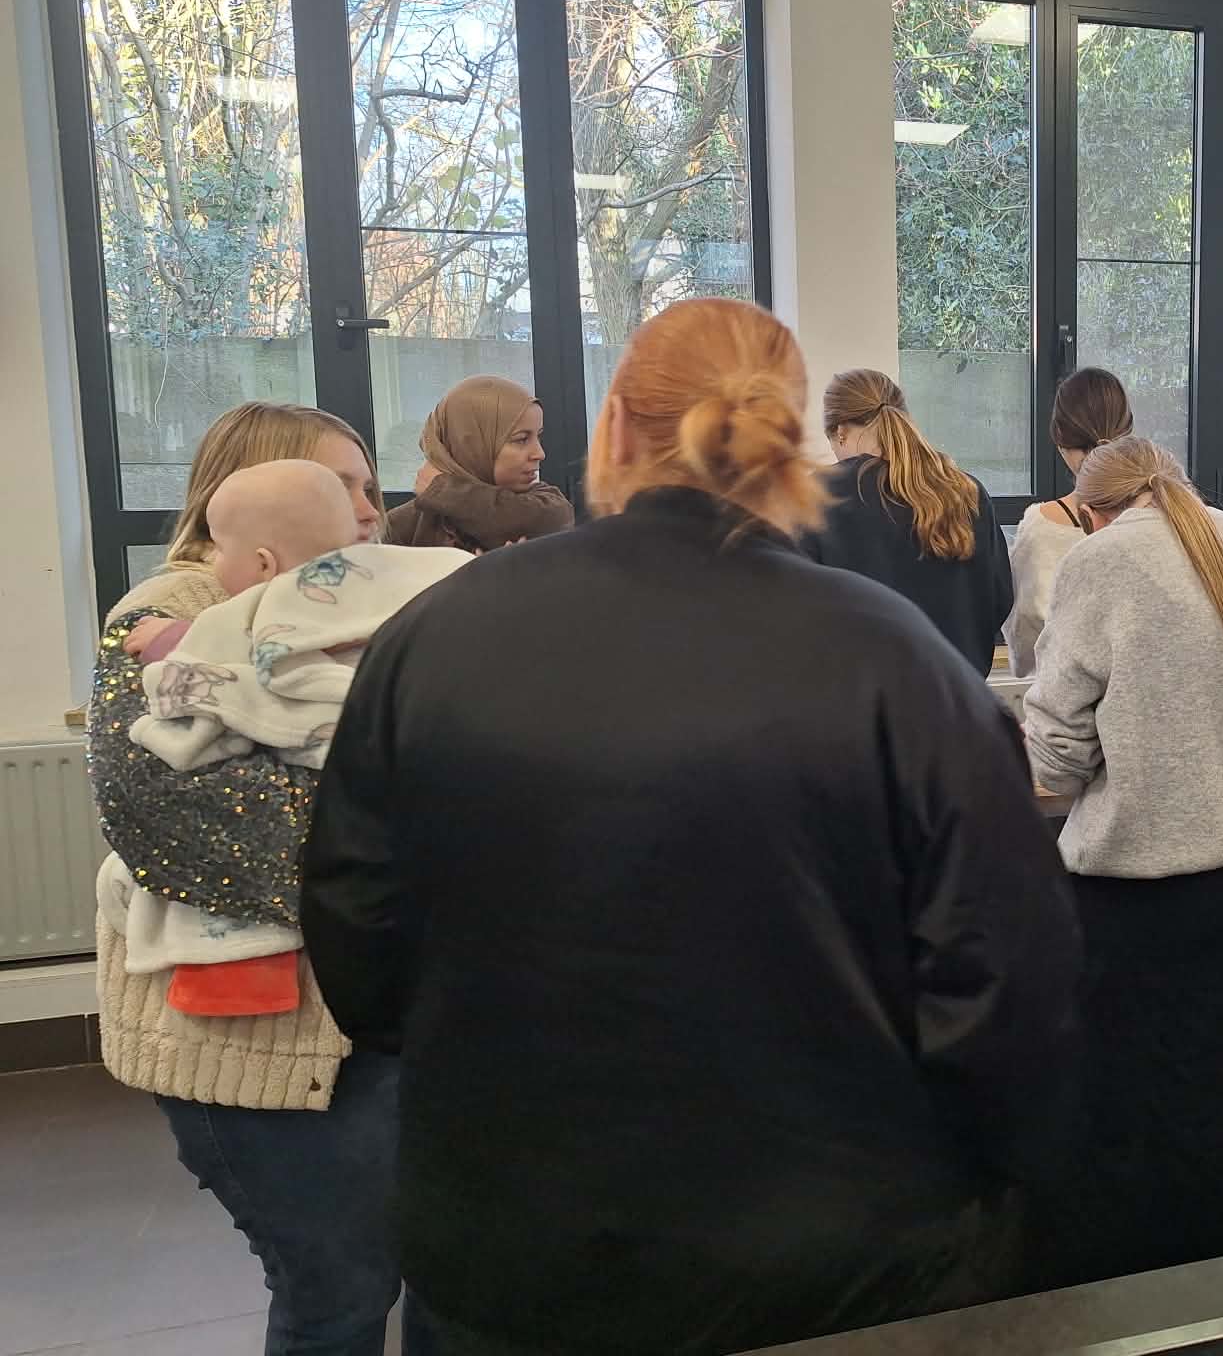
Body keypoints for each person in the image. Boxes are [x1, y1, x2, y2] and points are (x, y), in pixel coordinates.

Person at [300, 299, 1081, 1356]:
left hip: (513, 1247)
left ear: (615, 427)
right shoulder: (897, 663)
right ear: (792, 447)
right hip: (835, 1259)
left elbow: (358, 944)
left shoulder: (432, 635)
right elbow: (1008, 980)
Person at [85, 402, 417, 1356]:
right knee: (336, 1287)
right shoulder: (164, 620)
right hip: (256, 1034)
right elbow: (182, 820)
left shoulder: (358, 602)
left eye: (368, 485)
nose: (371, 509)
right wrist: (415, 839)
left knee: (407, 1264)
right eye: (344, 486)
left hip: (364, 1007)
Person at [1024, 436, 1223, 1284]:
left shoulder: (1100, 559)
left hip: (1136, 885)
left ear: (1091, 511)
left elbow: (1055, 756)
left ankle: (1132, 1293)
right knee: (1209, 1083)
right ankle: (1207, 1285)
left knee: (1122, 1099)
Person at [109, 459, 469, 1021]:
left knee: (152, 893)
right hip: (398, 761)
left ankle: (237, 981)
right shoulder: (413, 575)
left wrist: (161, 644)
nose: (369, 510)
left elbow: (203, 663)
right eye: (348, 487)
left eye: (218, 548)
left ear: (262, 562)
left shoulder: (265, 601)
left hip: (322, 744)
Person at [803, 368, 1013, 673]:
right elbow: (999, 598)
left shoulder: (818, 495)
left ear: (840, 431)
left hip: (856, 695)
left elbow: (796, 610)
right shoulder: (968, 491)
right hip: (957, 690)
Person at [1004, 367, 1133, 677]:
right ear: (1127, 432)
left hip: (1063, 691)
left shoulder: (1041, 526)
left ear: (1060, 440)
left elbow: (1026, 633)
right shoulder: (1167, 516)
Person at [384, 374, 574, 552]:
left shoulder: (546, 507)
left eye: (538, 437)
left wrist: (443, 490)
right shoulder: (400, 528)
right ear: (471, 444)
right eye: (522, 439)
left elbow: (546, 519)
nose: (540, 454)